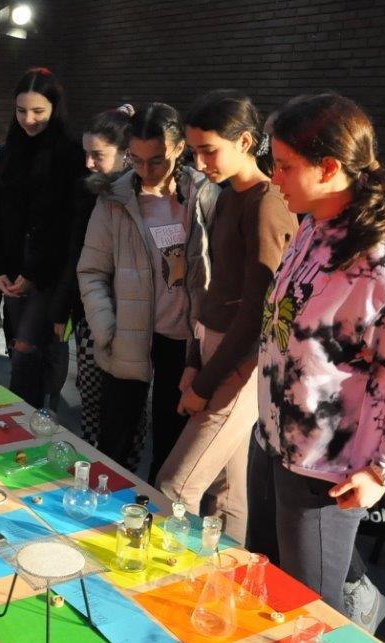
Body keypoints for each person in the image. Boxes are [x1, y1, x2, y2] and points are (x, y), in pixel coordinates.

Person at [248, 93, 385, 623]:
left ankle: (356, 619)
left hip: (325, 470)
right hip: (271, 443)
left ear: (330, 167)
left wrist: (383, 471)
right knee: (263, 592)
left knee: (310, 619)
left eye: (286, 166)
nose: (274, 177)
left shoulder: (383, 262)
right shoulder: (313, 226)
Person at [155, 91, 299, 544]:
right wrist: (193, 361)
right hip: (215, 347)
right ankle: (228, 580)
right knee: (227, 491)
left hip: (245, 359)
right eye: (194, 152)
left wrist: (204, 383)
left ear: (246, 142)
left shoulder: (267, 202)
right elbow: (212, 288)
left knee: (174, 486)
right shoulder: (225, 196)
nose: (200, 163)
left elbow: (259, 312)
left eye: (209, 150)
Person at [77, 103, 219, 480]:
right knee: (116, 441)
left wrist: (202, 341)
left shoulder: (204, 195)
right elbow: (91, 272)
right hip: (127, 334)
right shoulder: (114, 199)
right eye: (136, 160)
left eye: (156, 160)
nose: (146, 171)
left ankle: (154, 511)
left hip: (182, 340)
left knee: (170, 445)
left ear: (179, 148)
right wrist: (106, 329)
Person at [0, 68, 86, 409]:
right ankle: (41, 409)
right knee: (21, 345)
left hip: (50, 271)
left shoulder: (70, 154)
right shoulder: (8, 152)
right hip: (12, 265)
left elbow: (66, 225)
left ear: (55, 108)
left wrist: (34, 272)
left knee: (28, 345)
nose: (29, 119)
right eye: (21, 110)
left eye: (38, 111)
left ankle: (25, 415)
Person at [50, 105, 133, 445]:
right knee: (91, 395)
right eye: (86, 154)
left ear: (126, 153)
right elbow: (75, 256)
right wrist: (64, 309)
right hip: (89, 311)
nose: (88, 163)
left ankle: (118, 467)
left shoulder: (146, 198)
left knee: (125, 409)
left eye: (98, 155)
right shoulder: (89, 194)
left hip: (133, 314)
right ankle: (92, 458)